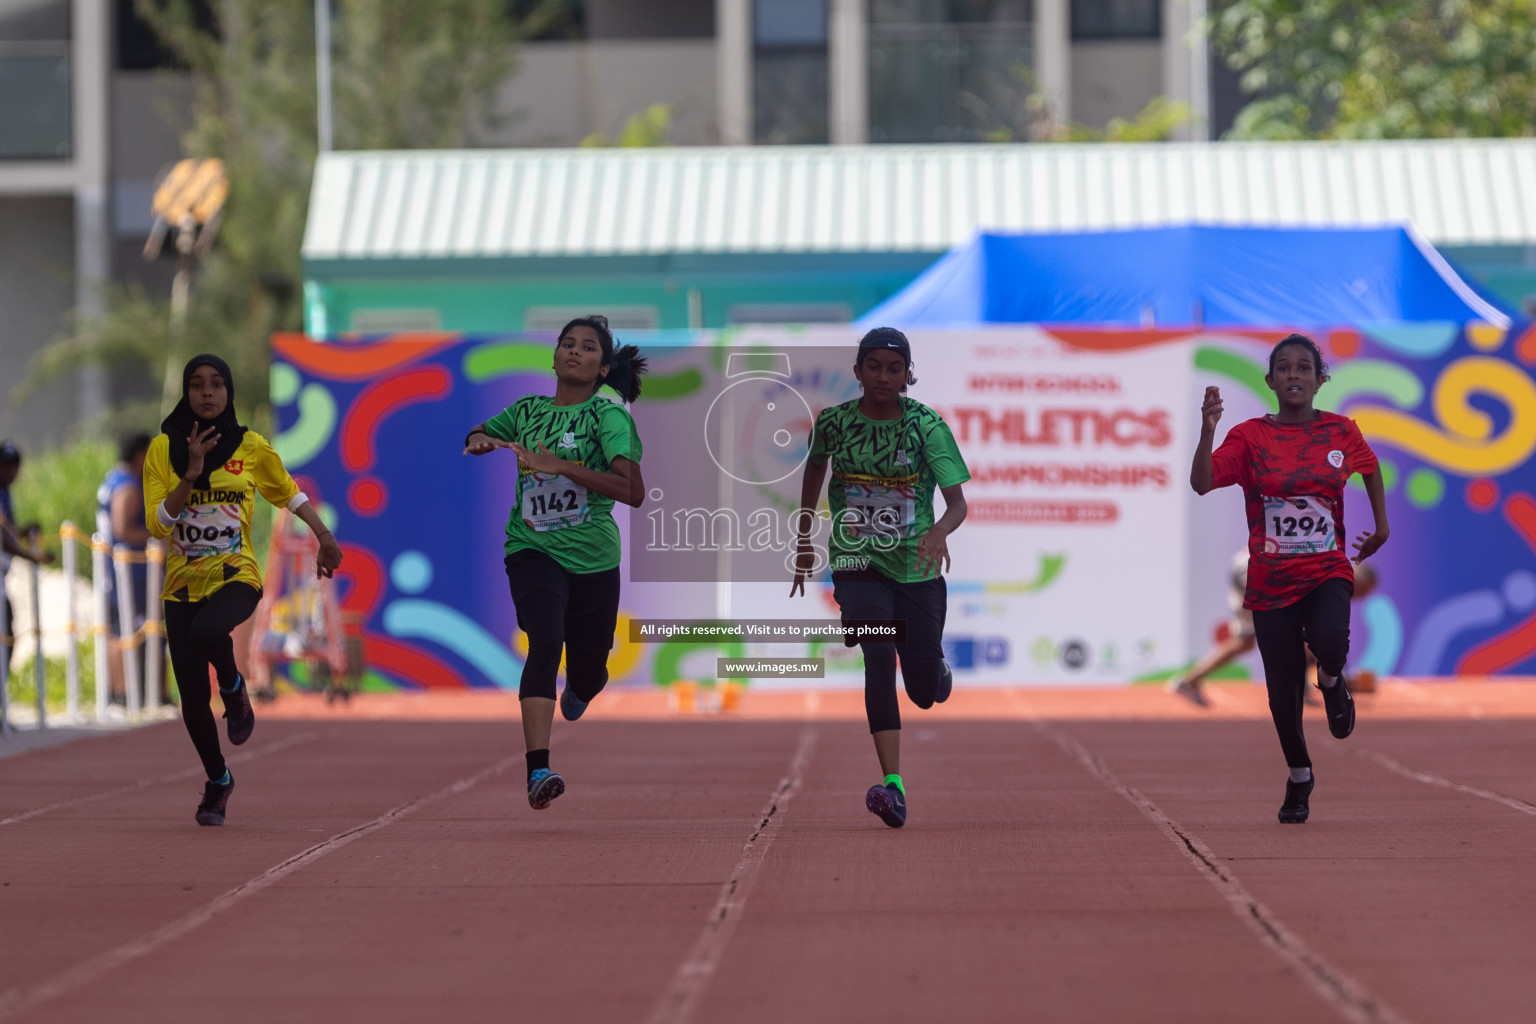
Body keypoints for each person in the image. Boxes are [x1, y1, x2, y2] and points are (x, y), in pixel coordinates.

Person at [1190, 333, 1389, 824]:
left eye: (1304, 368)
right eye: (1284, 368)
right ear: (1270, 381)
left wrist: (1381, 526)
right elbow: (1201, 482)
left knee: (1330, 644)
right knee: (1281, 690)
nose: (1294, 375)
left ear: (1321, 380)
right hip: (1270, 579)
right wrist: (1208, 430)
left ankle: (1330, 677)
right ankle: (1299, 774)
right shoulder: (1249, 437)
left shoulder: (1342, 432)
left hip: (1326, 568)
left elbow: (1371, 468)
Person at [144, 355, 342, 826]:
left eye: (216, 384)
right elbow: (157, 525)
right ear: (186, 394)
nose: (207, 393)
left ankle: (233, 687)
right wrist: (190, 472)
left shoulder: (250, 447)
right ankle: (218, 781)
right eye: (196, 385)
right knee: (192, 698)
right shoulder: (161, 450)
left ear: (229, 392)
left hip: (237, 573)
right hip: (181, 586)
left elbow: (288, 492)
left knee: (209, 630)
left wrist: (324, 536)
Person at [463, 315, 646, 811]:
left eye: (587, 348)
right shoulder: (527, 410)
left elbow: (634, 491)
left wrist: (562, 465)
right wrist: (478, 439)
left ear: (603, 367)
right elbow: (481, 431)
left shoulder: (607, 417)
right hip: (532, 548)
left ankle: (583, 687)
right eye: (567, 344)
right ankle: (537, 770)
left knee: (589, 671)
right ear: (554, 356)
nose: (574, 352)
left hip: (593, 561)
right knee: (544, 640)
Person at [791, 327, 970, 829]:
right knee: (876, 654)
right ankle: (892, 785)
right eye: (874, 367)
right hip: (856, 560)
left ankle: (935, 673)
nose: (883, 377)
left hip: (916, 566)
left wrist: (937, 533)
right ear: (858, 372)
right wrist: (805, 537)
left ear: (907, 374)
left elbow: (957, 504)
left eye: (894, 368)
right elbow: (815, 469)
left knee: (921, 690)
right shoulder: (834, 423)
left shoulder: (926, 427)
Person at [1169, 551, 1379, 707]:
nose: (1360, 598)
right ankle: (1300, 690)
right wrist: (1339, 681)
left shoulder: (1334, 574)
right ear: (1356, 580)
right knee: (1297, 635)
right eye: (1361, 592)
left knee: (1247, 641)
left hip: (1252, 564)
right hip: (1260, 571)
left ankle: (1188, 681)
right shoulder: (1332, 583)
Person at [98, 433, 156, 705]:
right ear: (139, 454)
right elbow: (122, 529)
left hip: (116, 570)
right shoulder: (128, 486)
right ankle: (122, 691)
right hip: (127, 571)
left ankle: (122, 691)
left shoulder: (114, 478)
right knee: (124, 629)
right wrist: (156, 536)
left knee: (118, 628)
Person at [0, 440, 57, 674]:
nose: (11, 471)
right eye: (6, 465)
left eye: (15, 466)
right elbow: (4, 541)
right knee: (7, 633)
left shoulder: (5, 493)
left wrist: (23, 531)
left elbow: (8, 533)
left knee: (8, 633)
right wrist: (36, 558)